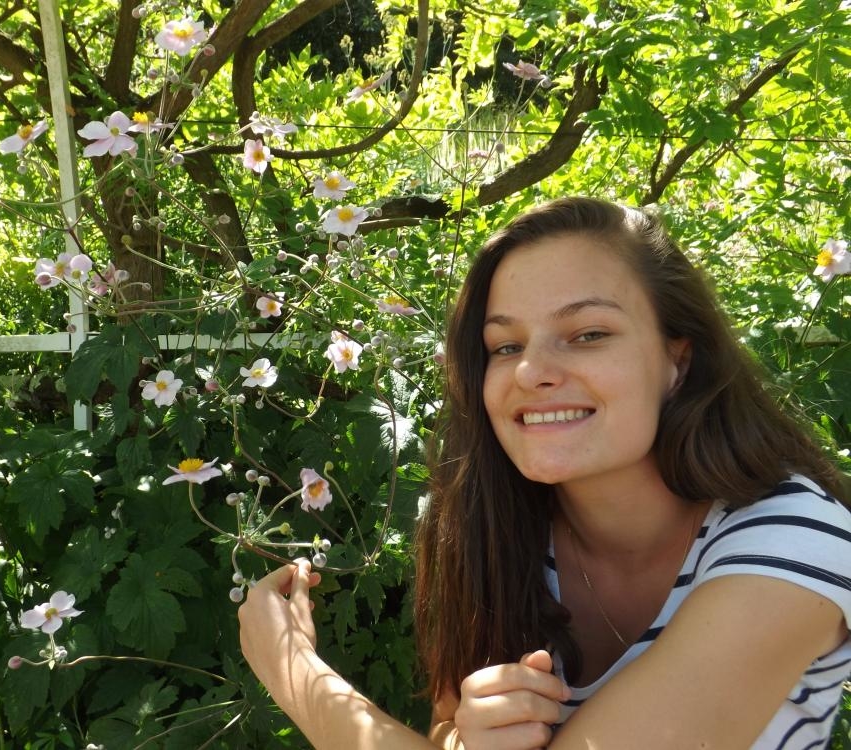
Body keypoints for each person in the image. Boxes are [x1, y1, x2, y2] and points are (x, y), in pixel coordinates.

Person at [238, 197, 851, 749]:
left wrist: (291, 668)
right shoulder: (493, 528)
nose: (531, 371)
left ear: (677, 359)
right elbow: (448, 730)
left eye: (587, 334)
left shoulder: (794, 542)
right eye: (505, 346)